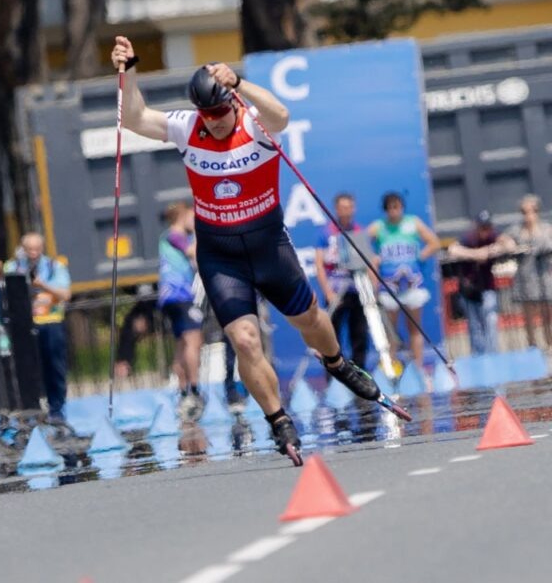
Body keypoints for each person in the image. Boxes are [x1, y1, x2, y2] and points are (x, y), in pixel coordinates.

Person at [110, 35, 400, 463]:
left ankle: (338, 364)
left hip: (268, 246)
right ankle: (279, 420)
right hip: (221, 255)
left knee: (311, 319)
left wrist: (240, 84)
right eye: (208, 114)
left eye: (221, 110)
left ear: (232, 101)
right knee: (245, 341)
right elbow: (133, 119)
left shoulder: (252, 122)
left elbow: (281, 114)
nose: (216, 121)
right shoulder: (188, 127)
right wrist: (128, 69)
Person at [367, 192, 441, 377]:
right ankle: (390, 368)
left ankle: (418, 368)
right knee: (390, 332)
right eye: (390, 207)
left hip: (411, 285)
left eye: (397, 206)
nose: (394, 211)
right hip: (389, 286)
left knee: (414, 328)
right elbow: (360, 243)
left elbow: (434, 242)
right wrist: (373, 260)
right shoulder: (379, 227)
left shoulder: (413, 222)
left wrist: (419, 257)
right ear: (386, 209)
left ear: (402, 207)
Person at [4, 232, 72, 422]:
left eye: (37, 249)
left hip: (51, 323)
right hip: (24, 325)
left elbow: (65, 294)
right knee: (27, 368)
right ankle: (29, 409)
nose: (33, 253)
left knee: (54, 367)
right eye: (29, 250)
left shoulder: (54, 267)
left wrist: (43, 285)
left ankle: (56, 408)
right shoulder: (12, 267)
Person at [156, 203, 205, 420]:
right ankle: (194, 389)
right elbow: (192, 251)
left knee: (181, 342)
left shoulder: (169, 238)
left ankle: (184, 390)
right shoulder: (174, 235)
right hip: (180, 295)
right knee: (193, 340)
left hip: (170, 297)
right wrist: (198, 232)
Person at [314, 193, 369, 369]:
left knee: (359, 334)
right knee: (332, 336)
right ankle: (334, 374)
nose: (346, 211)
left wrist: (371, 288)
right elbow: (319, 264)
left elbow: (367, 261)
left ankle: (359, 372)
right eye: (343, 207)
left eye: (349, 207)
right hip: (335, 292)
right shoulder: (326, 233)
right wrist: (327, 292)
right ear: (336, 209)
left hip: (357, 290)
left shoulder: (359, 231)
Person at [498, 195, 552, 349]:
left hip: (544, 276)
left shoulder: (546, 229)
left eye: (531, 211)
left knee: (547, 313)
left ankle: (549, 343)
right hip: (526, 277)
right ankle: (532, 345)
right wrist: (507, 243)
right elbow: (501, 238)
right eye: (524, 212)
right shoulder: (517, 230)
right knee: (528, 315)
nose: (528, 215)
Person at [448, 210, 501, 355]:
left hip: (487, 287)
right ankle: (479, 354)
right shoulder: (468, 238)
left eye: (487, 227)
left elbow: (509, 244)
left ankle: (492, 353)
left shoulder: (493, 236)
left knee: (490, 319)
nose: (485, 231)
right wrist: (476, 254)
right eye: (482, 227)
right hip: (469, 290)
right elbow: (452, 249)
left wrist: (490, 250)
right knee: (474, 324)